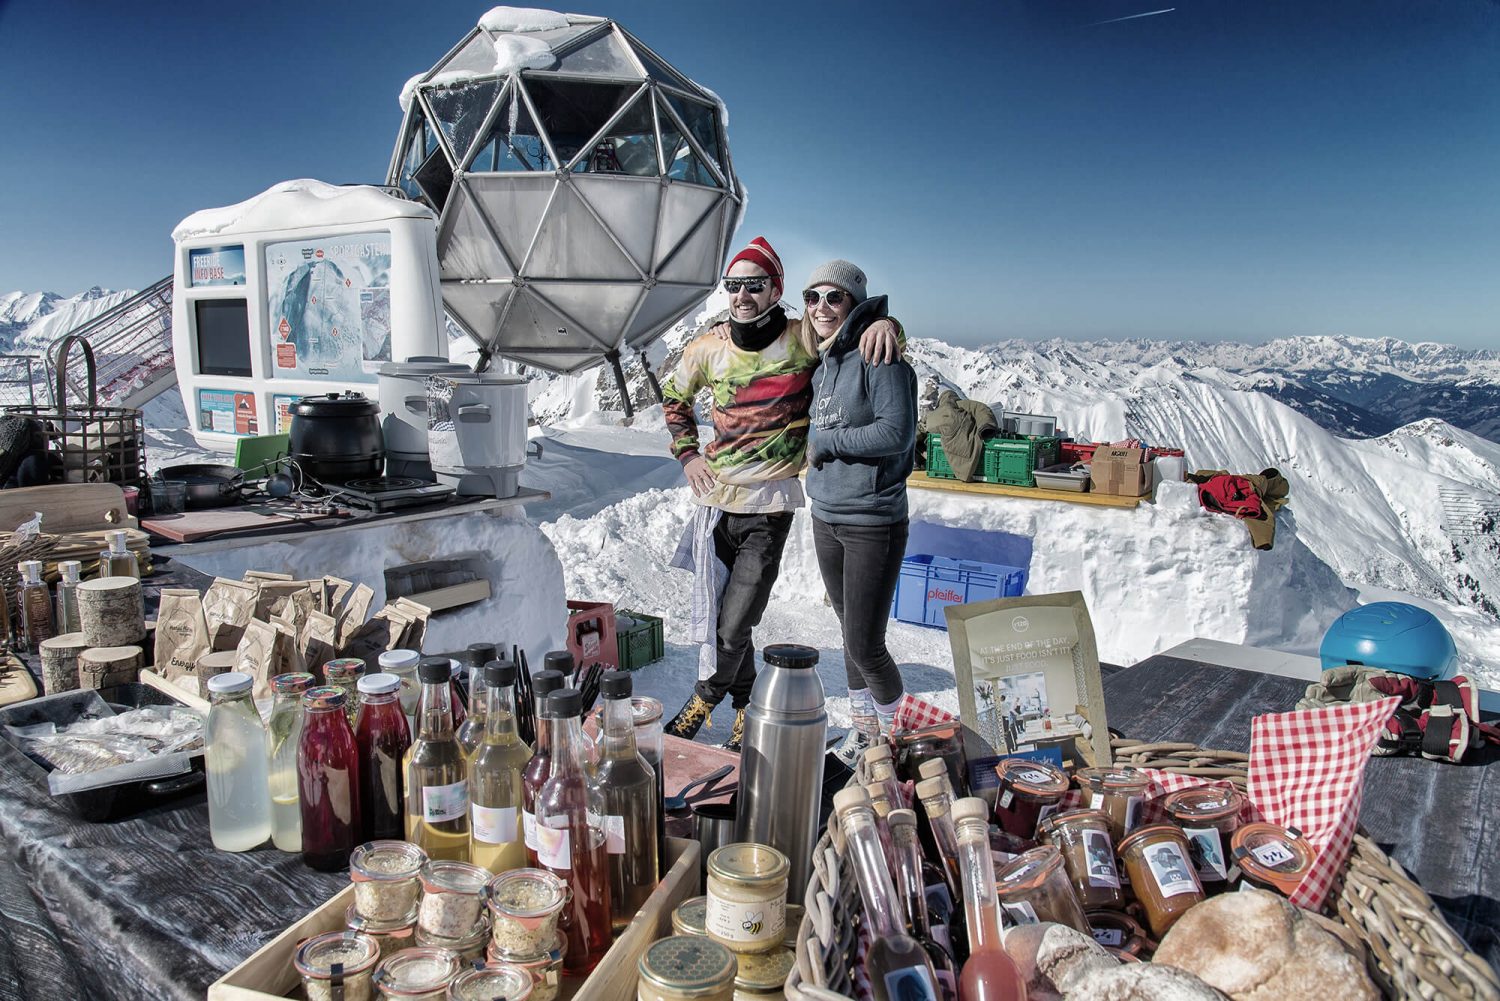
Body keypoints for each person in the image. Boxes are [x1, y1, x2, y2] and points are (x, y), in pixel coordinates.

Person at [661, 237, 899, 750]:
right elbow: (674, 395)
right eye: (734, 286)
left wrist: (887, 323)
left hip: (770, 509)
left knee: (735, 620)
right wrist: (689, 455)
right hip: (714, 507)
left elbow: (850, 336)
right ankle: (746, 705)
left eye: (755, 285)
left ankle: (705, 696)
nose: (743, 295)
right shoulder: (708, 347)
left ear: (776, 289)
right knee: (727, 617)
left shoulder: (800, 339)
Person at [800, 260, 918, 765]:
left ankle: (897, 740)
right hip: (827, 514)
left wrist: (827, 440)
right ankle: (865, 734)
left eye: (834, 298)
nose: (822, 307)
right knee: (849, 636)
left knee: (867, 644)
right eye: (813, 297)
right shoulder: (824, 360)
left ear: (855, 305)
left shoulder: (879, 355)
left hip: (873, 520)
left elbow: (897, 433)